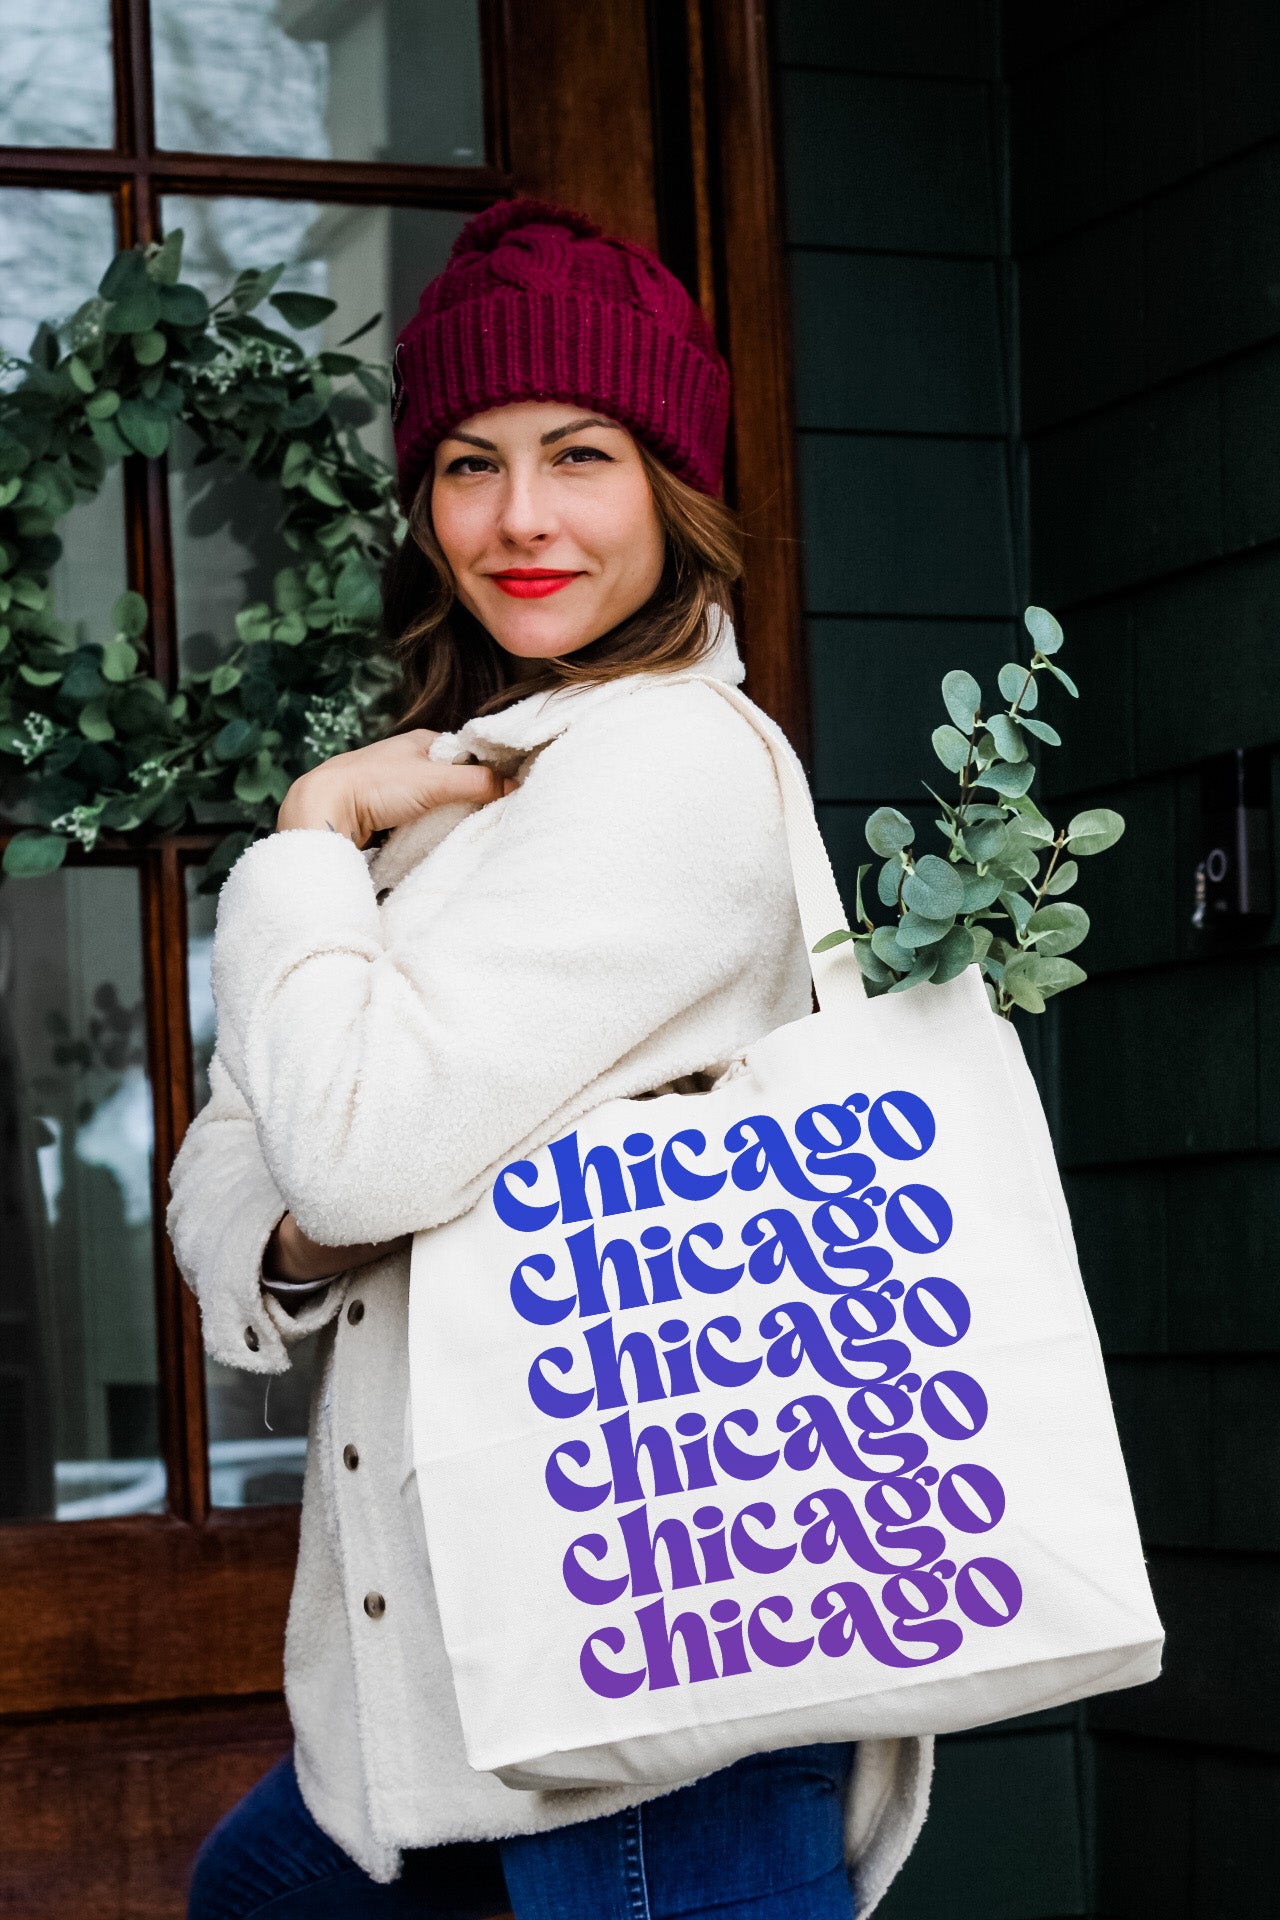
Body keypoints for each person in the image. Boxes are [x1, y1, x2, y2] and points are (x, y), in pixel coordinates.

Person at [171, 198, 932, 1920]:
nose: (519, 519)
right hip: (450, 1683)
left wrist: (304, 836)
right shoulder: (463, 788)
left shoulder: (663, 766)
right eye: (466, 462)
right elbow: (238, 1172)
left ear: (672, 485)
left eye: (578, 454)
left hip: (652, 1677)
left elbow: (347, 1152)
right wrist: (310, 1206)